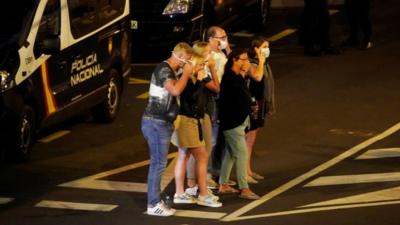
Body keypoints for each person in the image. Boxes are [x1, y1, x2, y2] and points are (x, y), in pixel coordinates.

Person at [141, 42, 193, 217]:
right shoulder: (164, 70)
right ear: (181, 57)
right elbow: (176, 90)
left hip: (162, 122)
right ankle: (152, 204)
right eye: (187, 60)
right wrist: (186, 73)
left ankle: (156, 200)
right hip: (156, 122)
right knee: (158, 164)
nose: (188, 64)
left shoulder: (170, 70)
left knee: (159, 164)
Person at [173, 44, 222, 208]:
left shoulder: (193, 77)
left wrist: (200, 78)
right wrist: (201, 80)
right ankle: (201, 193)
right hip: (187, 120)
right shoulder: (187, 78)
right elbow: (192, 97)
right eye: (200, 64)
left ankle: (182, 193)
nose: (203, 67)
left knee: (185, 156)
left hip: (193, 120)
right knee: (201, 156)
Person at [218, 48, 260, 200]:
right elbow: (231, 101)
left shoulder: (238, 77)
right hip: (232, 123)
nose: (247, 62)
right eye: (244, 59)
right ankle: (244, 188)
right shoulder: (230, 78)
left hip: (239, 121)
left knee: (231, 154)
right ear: (235, 60)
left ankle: (223, 184)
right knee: (241, 154)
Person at [183, 42, 220, 195]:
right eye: (207, 53)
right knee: (199, 150)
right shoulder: (199, 73)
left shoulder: (201, 72)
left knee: (202, 150)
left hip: (204, 112)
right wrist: (211, 68)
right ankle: (192, 183)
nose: (210, 55)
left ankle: (197, 183)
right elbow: (217, 88)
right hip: (196, 114)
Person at [204, 26, 234, 184]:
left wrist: (227, 47)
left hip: (224, 99)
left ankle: (217, 172)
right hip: (214, 99)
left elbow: (234, 62)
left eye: (225, 36)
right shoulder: (208, 56)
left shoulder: (221, 53)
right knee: (213, 138)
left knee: (222, 137)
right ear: (210, 39)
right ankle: (207, 174)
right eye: (221, 38)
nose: (224, 40)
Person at [245, 37, 276, 184]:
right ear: (256, 49)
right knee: (247, 138)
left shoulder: (265, 64)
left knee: (251, 139)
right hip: (252, 104)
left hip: (261, 102)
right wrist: (261, 59)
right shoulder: (252, 63)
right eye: (264, 47)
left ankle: (248, 170)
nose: (267, 50)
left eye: (267, 47)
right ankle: (244, 172)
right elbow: (257, 78)